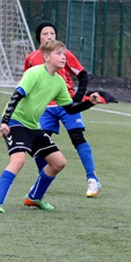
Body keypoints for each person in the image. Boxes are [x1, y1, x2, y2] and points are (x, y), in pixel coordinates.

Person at [0, 41, 103, 213]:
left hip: (33, 126)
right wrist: (5, 121)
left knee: (58, 162)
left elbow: (69, 109)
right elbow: (16, 96)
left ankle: (34, 198)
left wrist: (89, 103)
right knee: (18, 160)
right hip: (16, 122)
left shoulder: (59, 82)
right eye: (58, 54)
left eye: (64, 54)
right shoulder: (34, 73)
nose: (63, 57)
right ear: (46, 57)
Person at [22, 21, 101, 198]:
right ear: (38, 38)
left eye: (52, 33)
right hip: (45, 107)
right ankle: (43, 180)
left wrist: (78, 98)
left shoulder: (64, 54)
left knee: (77, 137)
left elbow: (82, 74)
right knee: (41, 143)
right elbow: (27, 84)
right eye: (45, 34)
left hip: (66, 104)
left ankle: (92, 179)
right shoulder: (31, 59)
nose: (50, 36)